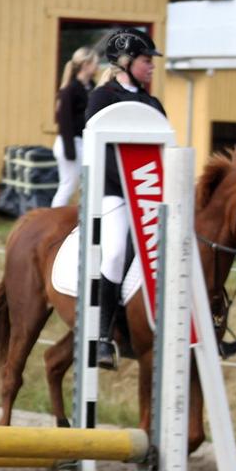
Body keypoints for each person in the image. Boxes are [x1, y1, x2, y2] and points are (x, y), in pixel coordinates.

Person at [85, 28, 165, 370]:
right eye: (147, 61)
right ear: (126, 62)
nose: (151, 67)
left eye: (151, 62)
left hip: (149, 194)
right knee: (116, 249)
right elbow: (97, 150)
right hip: (113, 191)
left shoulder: (153, 103)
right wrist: (131, 188)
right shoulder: (102, 98)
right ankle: (102, 335)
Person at [50, 47, 97, 207]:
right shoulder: (69, 90)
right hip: (70, 142)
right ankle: (54, 218)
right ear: (85, 64)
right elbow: (65, 122)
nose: (97, 67)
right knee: (68, 186)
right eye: (95, 63)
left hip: (84, 143)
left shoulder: (91, 88)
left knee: (89, 183)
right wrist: (70, 151)